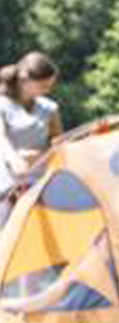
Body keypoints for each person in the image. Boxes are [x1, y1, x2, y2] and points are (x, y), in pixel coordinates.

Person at [0, 51, 63, 225]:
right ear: (24, 80)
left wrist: (41, 155)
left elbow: (58, 144)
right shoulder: (2, 105)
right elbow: (1, 138)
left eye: (50, 86)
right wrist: (15, 158)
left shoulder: (50, 108)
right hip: (6, 180)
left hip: (36, 180)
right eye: (43, 86)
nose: (47, 91)